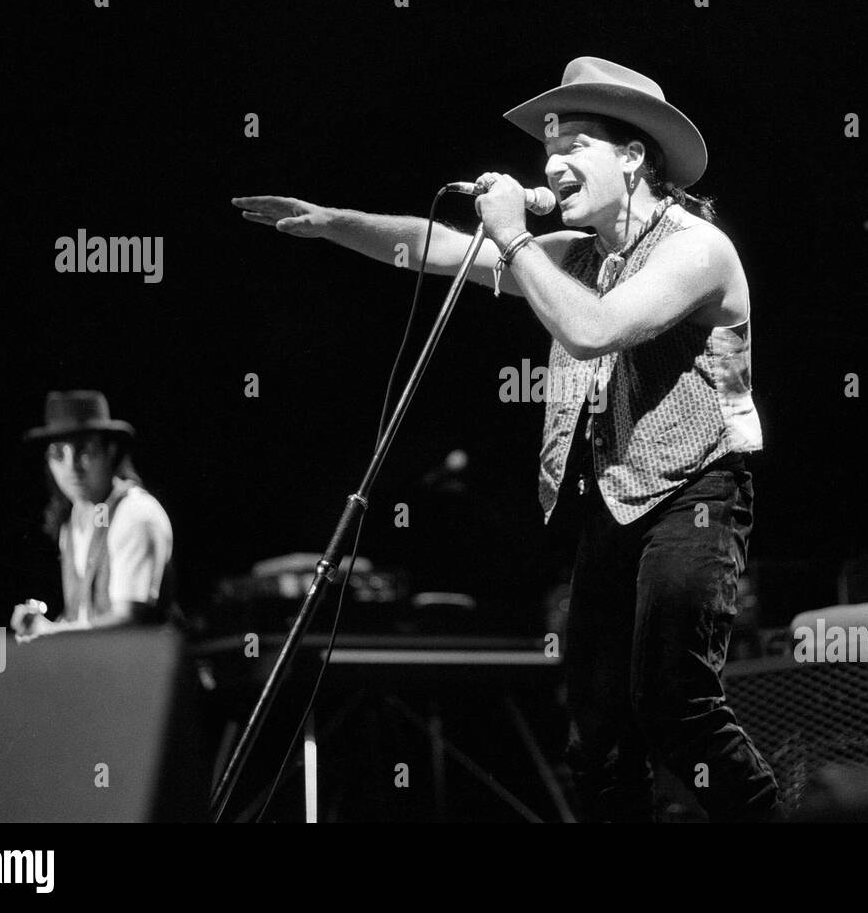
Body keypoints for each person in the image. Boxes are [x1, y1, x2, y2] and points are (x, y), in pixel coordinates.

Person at [233, 57, 780, 821]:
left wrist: (517, 241)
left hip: (697, 496)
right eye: (548, 150)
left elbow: (593, 331)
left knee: (674, 705)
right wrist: (332, 223)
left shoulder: (697, 248)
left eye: (575, 145)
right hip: (613, 506)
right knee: (597, 742)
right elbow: (438, 249)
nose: (552, 163)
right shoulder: (575, 256)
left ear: (633, 156)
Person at [11, 390, 173, 642]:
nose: (71, 466)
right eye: (58, 453)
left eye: (84, 449)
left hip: (147, 677)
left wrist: (51, 633)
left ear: (110, 451)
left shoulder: (135, 514)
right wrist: (40, 627)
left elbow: (130, 621)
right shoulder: (73, 521)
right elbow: (86, 617)